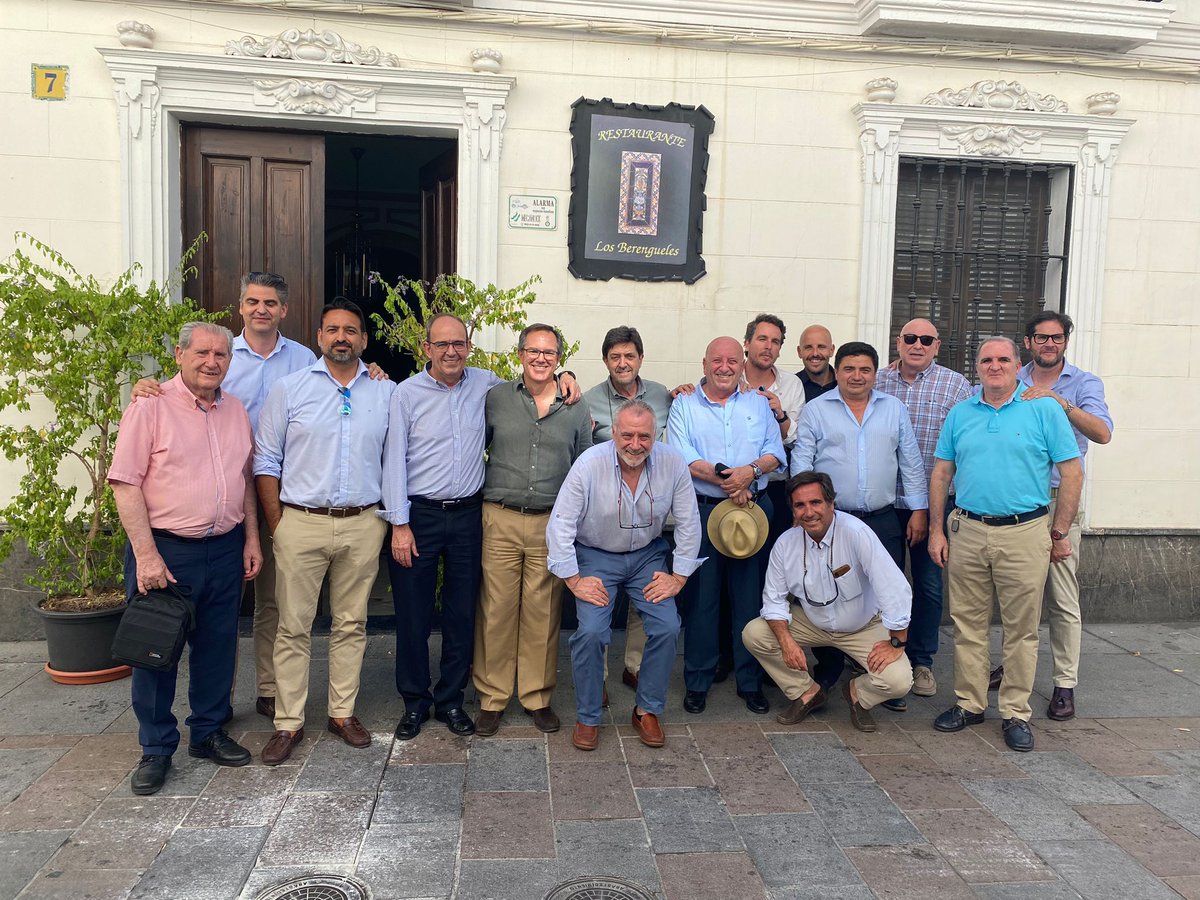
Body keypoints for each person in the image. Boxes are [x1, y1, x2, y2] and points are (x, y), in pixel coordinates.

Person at [381, 315, 581, 740]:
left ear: (469, 347)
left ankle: (451, 700)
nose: (451, 351)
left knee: (463, 612)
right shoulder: (406, 394)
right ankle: (415, 702)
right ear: (427, 348)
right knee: (414, 614)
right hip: (419, 515)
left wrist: (567, 376)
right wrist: (399, 523)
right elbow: (393, 459)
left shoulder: (487, 386)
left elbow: (537, 382)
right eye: (442, 344)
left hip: (469, 515)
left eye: (459, 343)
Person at [108, 322, 261, 795]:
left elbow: (244, 480)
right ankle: (156, 749)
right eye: (202, 353)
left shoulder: (235, 411)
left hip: (225, 547)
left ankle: (208, 731)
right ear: (179, 354)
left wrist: (251, 539)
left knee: (218, 646)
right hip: (166, 550)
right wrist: (146, 555)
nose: (212, 362)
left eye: (221, 354)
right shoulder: (150, 406)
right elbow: (125, 483)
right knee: (156, 651)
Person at [254, 299, 394, 765]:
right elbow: (266, 459)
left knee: (351, 623)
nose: (341, 337)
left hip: (363, 523)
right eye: (332, 329)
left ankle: (341, 713)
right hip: (301, 521)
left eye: (350, 330)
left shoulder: (386, 391)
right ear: (318, 337)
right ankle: (288, 722)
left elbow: (395, 458)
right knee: (293, 626)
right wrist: (278, 525)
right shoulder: (289, 389)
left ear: (364, 340)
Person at [929, 337, 1082, 752]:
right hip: (968, 530)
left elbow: (1072, 472)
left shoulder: (1043, 409)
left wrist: (1060, 531)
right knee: (967, 625)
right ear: (976, 367)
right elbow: (942, 473)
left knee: (1021, 631)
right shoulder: (960, 413)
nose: (994, 366)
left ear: (1018, 365)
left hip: (1025, 532)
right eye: (986, 360)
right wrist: (937, 530)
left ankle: (1015, 712)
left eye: (1002, 359)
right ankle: (970, 703)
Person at [548, 400, 704, 750]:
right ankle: (589, 716)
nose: (635, 444)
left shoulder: (673, 462)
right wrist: (574, 580)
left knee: (667, 626)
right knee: (591, 631)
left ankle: (647, 709)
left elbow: (689, 522)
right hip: (596, 555)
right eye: (628, 435)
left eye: (644, 436)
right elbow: (561, 523)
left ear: (656, 435)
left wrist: (679, 577)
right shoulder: (589, 463)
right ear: (614, 433)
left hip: (647, 555)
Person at [988, 312, 1113, 720]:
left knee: (1061, 597)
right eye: (1041, 337)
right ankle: (1013, 667)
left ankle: (1064, 683)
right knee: (1016, 594)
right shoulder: (1012, 374)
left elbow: (1102, 433)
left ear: (1065, 342)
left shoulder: (1084, 383)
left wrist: (1061, 403)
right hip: (1017, 500)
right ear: (1028, 342)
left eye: (1057, 338)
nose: (1049, 344)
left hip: (1060, 499)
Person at [473, 324, 593, 736]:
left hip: (551, 522)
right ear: (520, 354)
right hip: (500, 517)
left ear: (559, 358)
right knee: (496, 609)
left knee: (544, 611)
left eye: (550, 353)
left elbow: (584, 464)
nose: (541, 358)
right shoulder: (496, 398)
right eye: (533, 351)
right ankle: (492, 698)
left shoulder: (575, 405)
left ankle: (537, 697)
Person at [790, 340, 926, 702]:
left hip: (882, 519)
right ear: (837, 371)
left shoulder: (893, 408)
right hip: (831, 522)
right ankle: (830, 669)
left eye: (865, 369)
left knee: (884, 593)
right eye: (849, 368)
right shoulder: (817, 409)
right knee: (827, 590)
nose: (857, 376)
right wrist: (801, 510)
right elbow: (802, 461)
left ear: (875, 374)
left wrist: (919, 509)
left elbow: (910, 461)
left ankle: (882, 668)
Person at [667, 336, 785, 715]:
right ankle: (697, 681)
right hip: (703, 513)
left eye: (732, 361)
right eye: (716, 360)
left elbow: (775, 453)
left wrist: (750, 473)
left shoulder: (758, 403)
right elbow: (683, 456)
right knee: (702, 601)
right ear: (704, 364)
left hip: (753, 512)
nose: (724, 367)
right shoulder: (684, 405)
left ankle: (750, 682)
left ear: (741, 363)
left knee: (750, 601)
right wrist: (731, 480)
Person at [742, 472, 913, 732]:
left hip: (863, 625)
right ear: (793, 510)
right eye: (800, 505)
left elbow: (893, 586)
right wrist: (787, 643)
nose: (809, 512)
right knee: (754, 633)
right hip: (813, 623)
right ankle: (807, 692)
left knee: (898, 681)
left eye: (816, 502)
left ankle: (857, 693)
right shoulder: (785, 543)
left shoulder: (856, 533)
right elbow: (773, 600)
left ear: (832, 503)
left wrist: (897, 642)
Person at [876, 319, 972, 699]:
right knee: (882, 583)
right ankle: (883, 657)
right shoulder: (878, 381)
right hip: (885, 501)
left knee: (929, 585)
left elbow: (966, 443)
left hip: (935, 503)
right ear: (898, 342)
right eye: (911, 338)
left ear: (937, 345)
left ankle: (921, 661)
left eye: (926, 339)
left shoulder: (955, 385)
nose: (918, 344)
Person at [584, 325, 674, 694]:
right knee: (600, 601)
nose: (623, 363)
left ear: (641, 358)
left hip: (650, 516)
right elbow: (581, 456)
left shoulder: (663, 395)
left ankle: (635, 666)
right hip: (606, 518)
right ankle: (600, 676)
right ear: (605, 360)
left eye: (629, 356)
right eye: (615, 357)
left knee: (645, 597)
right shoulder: (587, 401)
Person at [741, 314, 806, 546]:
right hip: (734, 483)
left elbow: (795, 440)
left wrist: (780, 414)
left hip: (776, 485)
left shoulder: (792, 384)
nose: (768, 346)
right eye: (762, 339)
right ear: (747, 344)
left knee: (775, 553)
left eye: (775, 342)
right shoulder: (728, 378)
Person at [795, 324, 837, 402]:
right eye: (808, 347)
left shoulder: (845, 384)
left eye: (821, 347)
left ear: (831, 350)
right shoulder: (791, 387)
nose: (815, 353)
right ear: (799, 352)